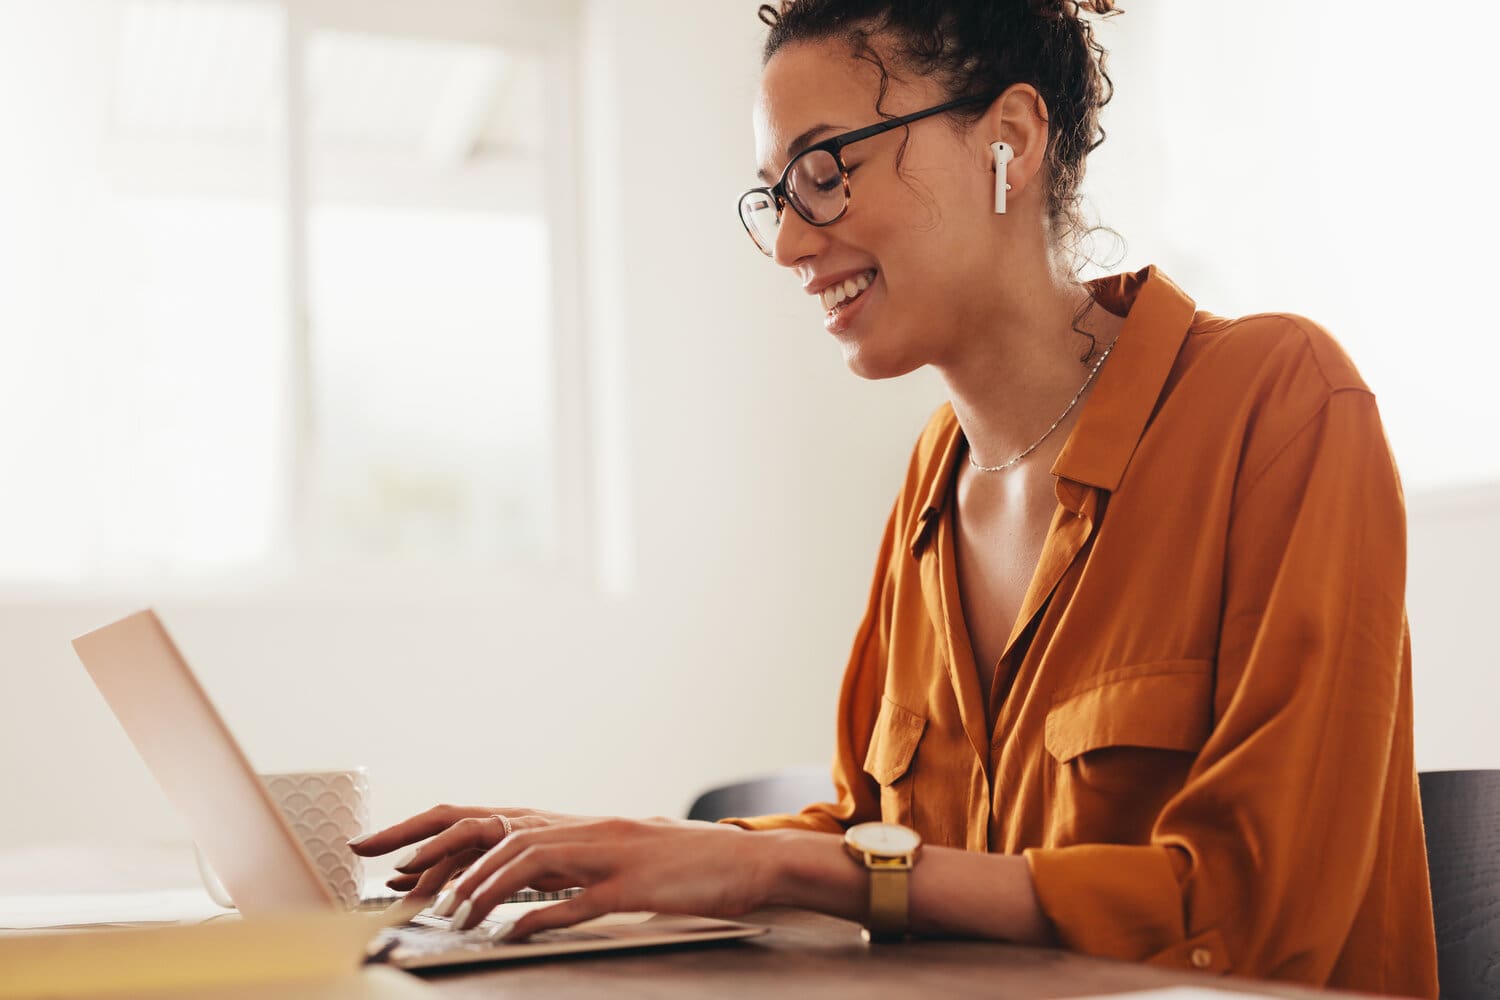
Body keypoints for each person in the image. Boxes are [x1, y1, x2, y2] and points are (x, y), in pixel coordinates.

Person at [349, 2, 1439, 993]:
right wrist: (610, 843)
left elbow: (1256, 918)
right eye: (774, 194)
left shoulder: (1280, 402)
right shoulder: (934, 476)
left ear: (1007, 137)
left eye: (825, 169)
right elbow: (877, 840)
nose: (786, 240)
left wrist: (780, 862)